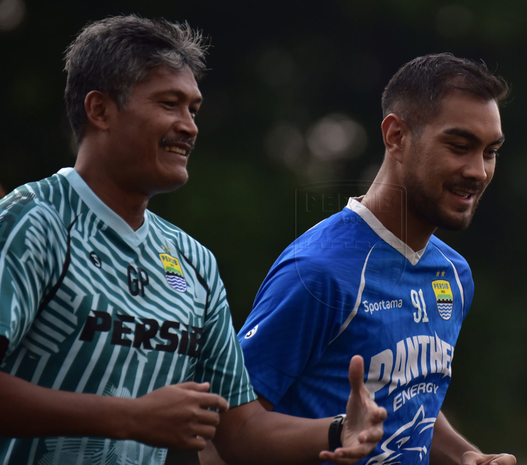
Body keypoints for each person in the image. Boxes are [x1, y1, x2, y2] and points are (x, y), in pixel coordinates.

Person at [0, 15, 386, 465]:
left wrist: (339, 430)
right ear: (100, 110)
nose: (189, 126)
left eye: (193, 109)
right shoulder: (35, 220)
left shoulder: (192, 260)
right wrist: (128, 417)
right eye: (169, 104)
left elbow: (240, 431)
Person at [238, 54, 517, 465]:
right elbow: (227, 433)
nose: (478, 171)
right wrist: (335, 432)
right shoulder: (319, 272)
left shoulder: (454, 275)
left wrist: (467, 456)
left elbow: (409, 398)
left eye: (489, 151)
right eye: (459, 146)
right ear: (396, 136)